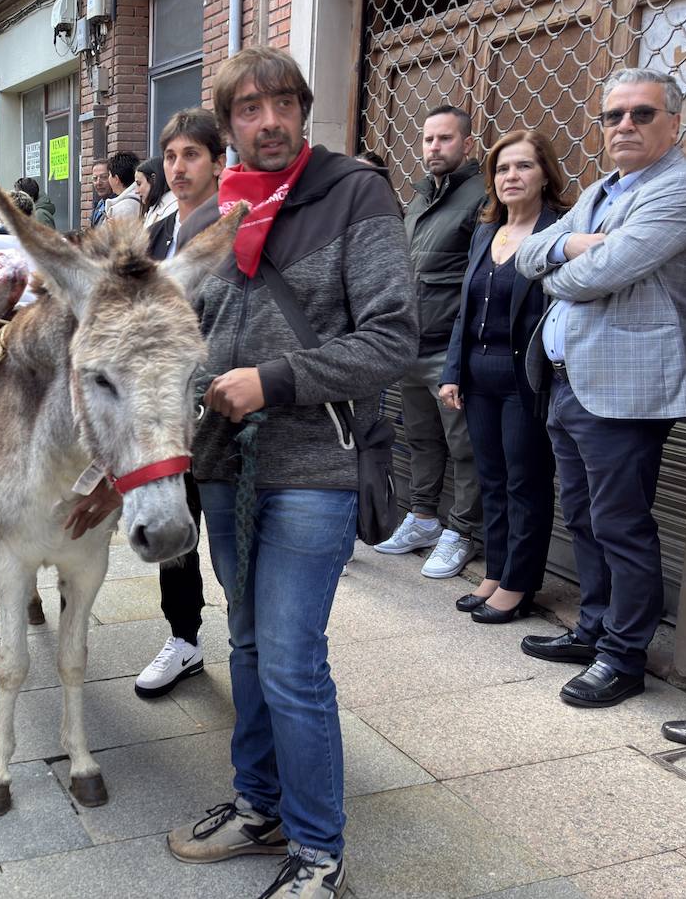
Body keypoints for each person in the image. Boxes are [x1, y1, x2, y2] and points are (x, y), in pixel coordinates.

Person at [164, 48, 416, 899]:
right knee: (244, 643)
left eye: (282, 103)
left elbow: (392, 338)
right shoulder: (210, 217)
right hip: (224, 465)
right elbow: (184, 340)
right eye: (249, 107)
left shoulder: (354, 193)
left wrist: (272, 380)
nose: (268, 120)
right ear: (228, 123)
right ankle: (259, 804)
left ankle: (318, 848)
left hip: (316, 466)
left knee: (290, 660)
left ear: (303, 110)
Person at [515, 67, 686, 709]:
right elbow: (526, 253)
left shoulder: (678, 188)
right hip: (568, 382)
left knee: (621, 524)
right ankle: (593, 628)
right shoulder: (599, 188)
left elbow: (596, 275)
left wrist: (560, 261)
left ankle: (623, 656)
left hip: (625, 392)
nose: (624, 126)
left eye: (642, 114)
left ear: (675, 122)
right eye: (613, 116)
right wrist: (574, 247)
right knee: (584, 517)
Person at [439, 131, 568, 623]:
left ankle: (519, 583)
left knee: (525, 482)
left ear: (545, 174)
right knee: (491, 479)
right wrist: (453, 372)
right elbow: (464, 311)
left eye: (524, 166)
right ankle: (495, 571)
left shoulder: (557, 232)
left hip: (525, 381)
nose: (511, 176)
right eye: (502, 168)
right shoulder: (485, 231)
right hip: (478, 379)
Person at [135, 109, 227, 698]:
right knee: (176, 523)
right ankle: (184, 638)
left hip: (228, 407)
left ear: (218, 162)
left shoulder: (237, 225)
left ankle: (252, 640)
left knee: (234, 536)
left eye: (191, 154)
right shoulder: (158, 231)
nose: (178, 167)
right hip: (170, 412)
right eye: (170, 156)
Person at [373, 104, 486, 579]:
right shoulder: (420, 198)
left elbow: (479, 279)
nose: (434, 147)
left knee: (465, 447)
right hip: (412, 344)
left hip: (450, 348)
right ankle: (422, 518)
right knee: (420, 439)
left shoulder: (482, 197)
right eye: (428, 139)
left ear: (467, 143)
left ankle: (463, 530)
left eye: (445, 138)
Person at [136, 156, 177, 228]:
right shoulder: (155, 208)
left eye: (139, 184)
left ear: (153, 179)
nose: (136, 191)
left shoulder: (173, 209)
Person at [103, 151, 143, 221]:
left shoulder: (122, 209)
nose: (108, 179)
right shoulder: (143, 199)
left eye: (109, 175)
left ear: (116, 179)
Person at [89, 159, 113, 228]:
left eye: (104, 177)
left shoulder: (120, 205)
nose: (98, 183)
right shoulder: (99, 205)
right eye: (95, 178)